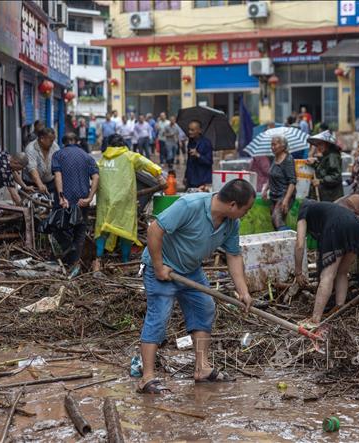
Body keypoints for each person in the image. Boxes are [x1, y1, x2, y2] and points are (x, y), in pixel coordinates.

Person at [137, 180, 255, 394]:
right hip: (163, 268)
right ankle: (147, 377)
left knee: (204, 308)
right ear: (233, 205)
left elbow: (234, 255)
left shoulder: (231, 223)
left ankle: (202, 368)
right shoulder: (190, 205)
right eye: (246, 209)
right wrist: (158, 266)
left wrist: (243, 291)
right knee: (159, 317)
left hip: (190, 270)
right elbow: (155, 229)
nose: (246, 214)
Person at [93, 134, 164, 272]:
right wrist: (159, 175)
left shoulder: (102, 159)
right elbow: (146, 163)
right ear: (123, 144)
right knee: (125, 228)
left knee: (103, 228)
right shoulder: (129, 156)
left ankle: (98, 258)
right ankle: (125, 261)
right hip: (124, 199)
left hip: (105, 200)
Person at [294, 200, 359, 327]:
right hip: (358, 228)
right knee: (342, 272)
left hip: (336, 227)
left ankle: (315, 319)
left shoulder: (304, 210)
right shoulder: (326, 208)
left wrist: (298, 272)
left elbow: (300, 245)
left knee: (327, 275)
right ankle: (339, 308)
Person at [52, 133, 99, 277]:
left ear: (63, 142)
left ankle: (70, 260)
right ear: (77, 141)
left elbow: (58, 175)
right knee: (79, 231)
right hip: (82, 201)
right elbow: (96, 177)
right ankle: (75, 261)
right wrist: (90, 197)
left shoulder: (58, 155)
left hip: (66, 200)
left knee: (59, 228)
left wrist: (61, 197)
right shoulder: (86, 156)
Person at [262, 135, 296, 231]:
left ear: (282, 145)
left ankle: (290, 238)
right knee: (275, 222)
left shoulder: (288, 159)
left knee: (277, 219)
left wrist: (286, 200)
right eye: (271, 145)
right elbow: (271, 176)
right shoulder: (275, 158)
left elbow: (292, 181)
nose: (272, 147)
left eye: (274, 144)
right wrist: (265, 190)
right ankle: (281, 243)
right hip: (274, 195)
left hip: (284, 195)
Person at [307, 130, 343, 202]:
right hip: (326, 195)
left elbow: (335, 176)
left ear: (327, 144)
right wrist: (314, 164)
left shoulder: (332, 156)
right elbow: (324, 170)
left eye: (320, 144)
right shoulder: (326, 156)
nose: (318, 147)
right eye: (317, 145)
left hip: (331, 196)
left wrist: (320, 181)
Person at [23, 127, 60, 195]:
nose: (53, 142)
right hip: (32, 184)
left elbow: (58, 166)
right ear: (42, 139)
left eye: (53, 140)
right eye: (51, 140)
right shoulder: (31, 149)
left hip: (50, 182)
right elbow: (32, 169)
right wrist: (40, 184)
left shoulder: (55, 146)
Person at [184, 120, 213, 190]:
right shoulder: (191, 142)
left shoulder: (206, 143)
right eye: (189, 129)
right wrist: (186, 176)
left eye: (192, 130)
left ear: (199, 130)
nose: (190, 132)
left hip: (202, 180)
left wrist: (198, 155)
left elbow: (209, 162)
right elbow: (189, 161)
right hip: (191, 180)